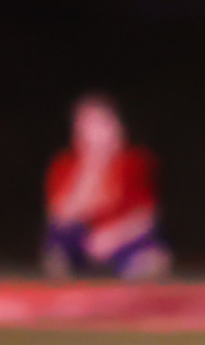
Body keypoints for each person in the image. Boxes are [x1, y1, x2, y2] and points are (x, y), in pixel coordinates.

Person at [42, 93, 171, 279]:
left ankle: (137, 272)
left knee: (148, 252)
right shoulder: (64, 164)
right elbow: (61, 216)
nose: (96, 133)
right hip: (84, 241)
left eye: (102, 124)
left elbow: (146, 217)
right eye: (87, 126)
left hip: (121, 238)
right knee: (59, 240)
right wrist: (92, 168)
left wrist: (111, 237)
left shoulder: (135, 161)